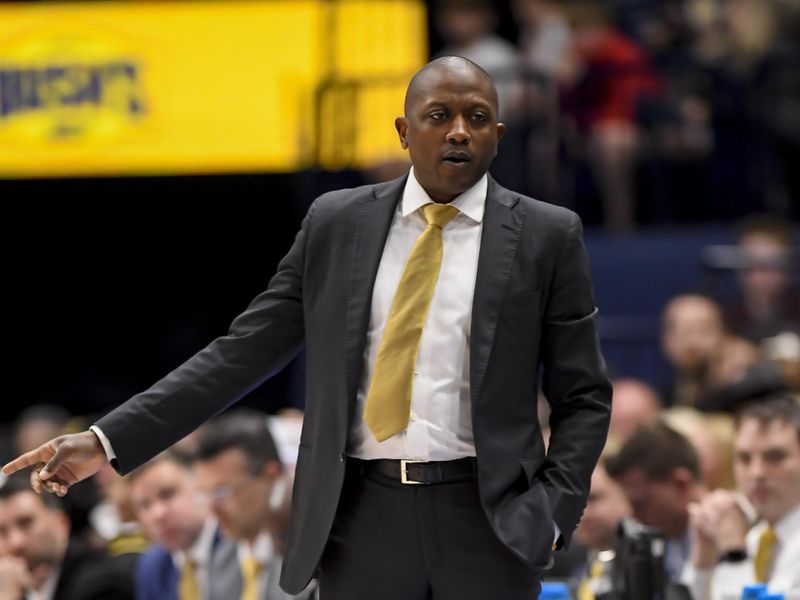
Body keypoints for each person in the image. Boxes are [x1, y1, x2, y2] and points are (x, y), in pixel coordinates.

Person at [3, 56, 612, 600]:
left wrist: (552, 512)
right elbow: (240, 353)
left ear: (498, 136)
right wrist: (107, 441)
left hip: (490, 519)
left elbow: (582, 396)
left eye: (477, 117)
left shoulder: (545, 235)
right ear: (404, 131)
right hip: (361, 516)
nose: (459, 131)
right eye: (439, 115)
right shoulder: (337, 223)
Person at [684, 395, 800, 600]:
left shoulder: (739, 543)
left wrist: (734, 554)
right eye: (744, 459)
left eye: (775, 457)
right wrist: (703, 557)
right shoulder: (755, 539)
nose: (757, 473)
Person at [0, 473, 134, 600]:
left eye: (26, 523)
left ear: (61, 524)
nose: (15, 542)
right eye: (2, 532)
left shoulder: (99, 582)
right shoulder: (17, 586)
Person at [129, 450, 239, 600]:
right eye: (145, 505)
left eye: (167, 494)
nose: (157, 514)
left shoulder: (238, 542)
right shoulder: (152, 568)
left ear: (200, 488)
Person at [605, 421, 706, 581]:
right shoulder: (665, 543)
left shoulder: (730, 540)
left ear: (681, 485)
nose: (634, 516)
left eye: (641, 504)